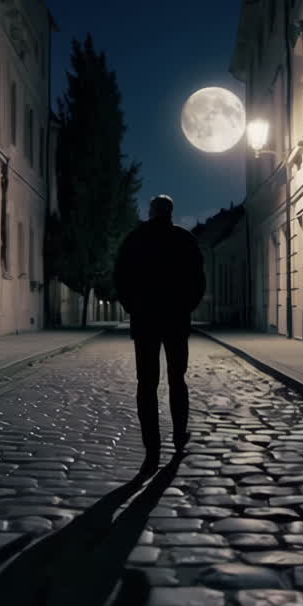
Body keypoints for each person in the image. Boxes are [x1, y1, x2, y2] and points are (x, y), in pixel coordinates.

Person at [113, 195, 206, 474]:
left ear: (151, 212)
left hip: (145, 321)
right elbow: (198, 281)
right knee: (178, 379)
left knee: (147, 384)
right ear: (171, 213)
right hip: (176, 319)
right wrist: (186, 307)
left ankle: (151, 448)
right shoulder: (184, 240)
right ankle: (178, 437)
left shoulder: (134, 239)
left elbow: (121, 278)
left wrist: (134, 308)